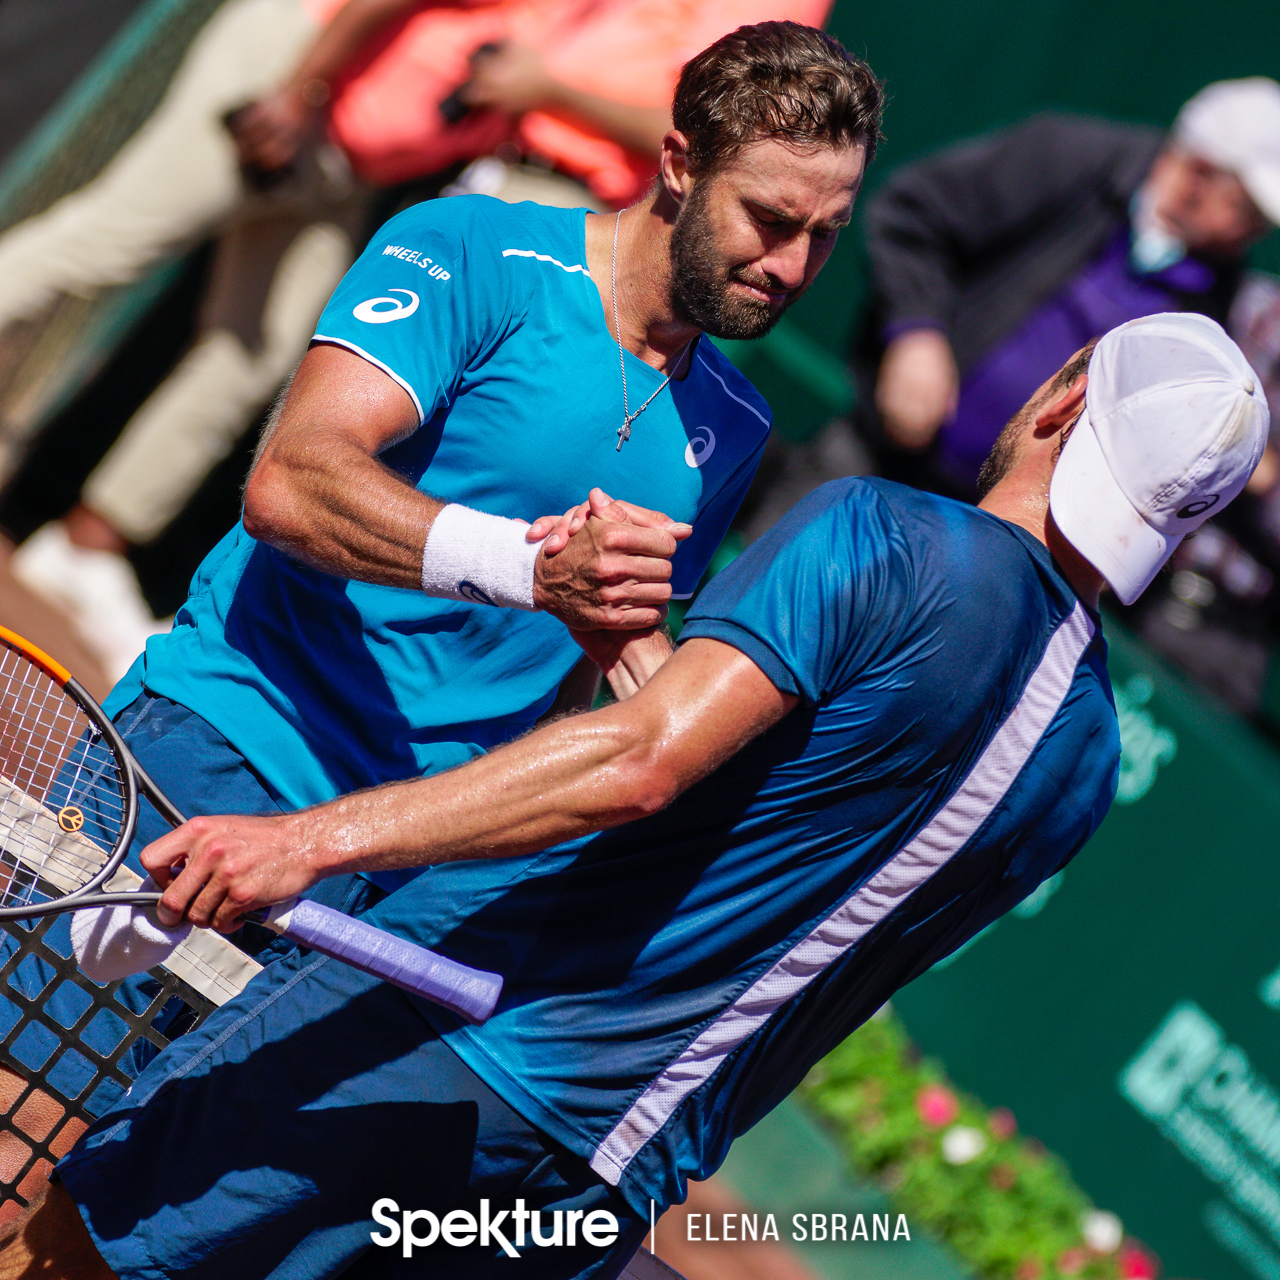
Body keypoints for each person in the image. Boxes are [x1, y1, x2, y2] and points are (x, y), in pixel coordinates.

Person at [10, 312, 1267, 1280]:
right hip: (593, 1184)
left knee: (72, 1251)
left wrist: (307, 840)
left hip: (428, 1047)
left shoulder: (890, 536)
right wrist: (624, 641)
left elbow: (641, 765)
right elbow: (773, 833)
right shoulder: (1085, 754)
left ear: (1059, 400)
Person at [7, 0, 832, 678]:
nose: (793, 267)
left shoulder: (729, 416)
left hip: (358, 146)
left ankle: (88, 546)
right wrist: (302, 90)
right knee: (104, 244)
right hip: (307, 92)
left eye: (825, 235)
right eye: (772, 221)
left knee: (250, 347)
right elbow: (288, 489)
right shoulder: (477, 238)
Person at [858, 78, 1280, 497]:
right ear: (1198, 173)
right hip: (878, 457)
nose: (1251, 234)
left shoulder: (1217, 288)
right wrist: (916, 334)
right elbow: (911, 215)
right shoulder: (1067, 153)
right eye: (1247, 211)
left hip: (1000, 522)